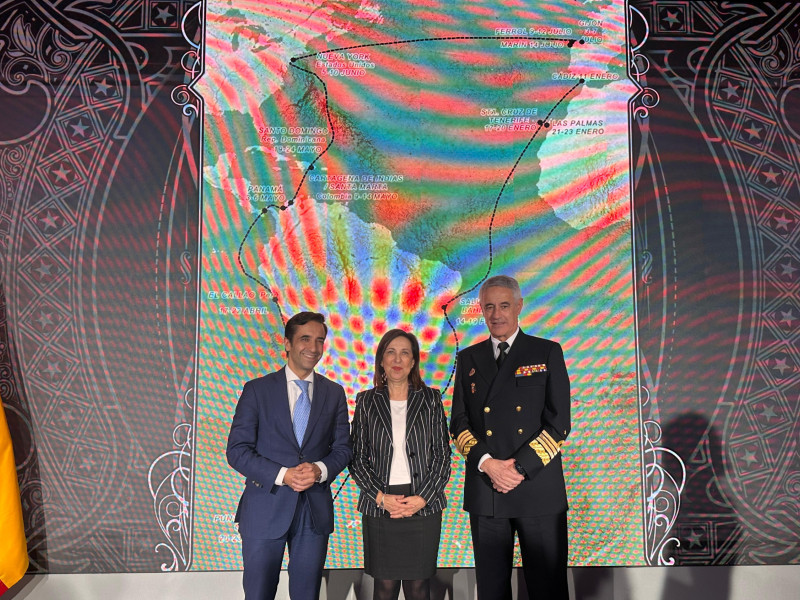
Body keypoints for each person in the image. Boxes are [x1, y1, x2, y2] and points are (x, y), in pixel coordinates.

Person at [449, 275, 571, 600]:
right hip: (488, 490)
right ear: (482, 311)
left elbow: (559, 423)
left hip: (537, 489)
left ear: (519, 306)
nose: (496, 314)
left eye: (504, 305)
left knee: (548, 590)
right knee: (492, 591)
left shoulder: (546, 352)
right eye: (489, 306)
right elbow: (459, 424)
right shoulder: (469, 359)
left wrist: (518, 469)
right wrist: (488, 464)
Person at [226, 311, 352, 600]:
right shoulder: (257, 390)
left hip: (313, 512)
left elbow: (343, 449)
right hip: (264, 508)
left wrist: (319, 469)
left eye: (320, 340)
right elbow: (237, 451)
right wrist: (284, 475)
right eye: (305, 339)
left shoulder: (334, 393)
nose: (313, 348)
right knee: (258, 595)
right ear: (287, 343)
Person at [350, 328, 451, 600]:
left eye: (405, 352)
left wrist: (423, 499)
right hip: (381, 503)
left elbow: (442, 457)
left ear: (414, 361)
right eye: (390, 352)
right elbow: (357, 459)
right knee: (384, 587)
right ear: (381, 360)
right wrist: (381, 498)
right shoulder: (366, 401)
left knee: (419, 587)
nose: (398, 359)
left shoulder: (430, 399)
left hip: (423, 503)